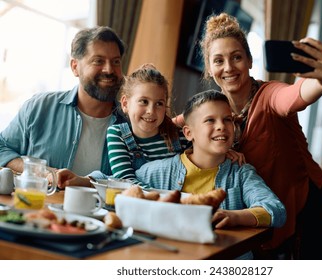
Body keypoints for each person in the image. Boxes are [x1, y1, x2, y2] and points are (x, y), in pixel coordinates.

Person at [175, 13, 322, 259]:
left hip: (305, 206)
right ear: (209, 69)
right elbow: (170, 126)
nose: (228, 67)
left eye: (236, 57)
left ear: (249, 61)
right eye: (218, 61)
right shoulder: (213, 109)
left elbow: (295, 95)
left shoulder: (269, 95)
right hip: (260, 209)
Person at [133, 90, 286, 259]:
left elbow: (276, 210)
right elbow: (107, 181)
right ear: (189, 133)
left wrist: (235, 217)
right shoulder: (158, 171)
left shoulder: (241, 173)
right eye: (210, 120)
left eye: (227, 119)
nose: (221, 126)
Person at [56, 65, 243, 188]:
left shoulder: (178, 136)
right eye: (143, 102)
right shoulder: (117, 134)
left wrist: (224, 152)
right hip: (143, 202)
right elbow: (125, 181)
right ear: (126, 103)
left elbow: (202, 156)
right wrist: (166, 198)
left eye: (159, 103)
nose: (151, 111)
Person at [0, 26, 126, 177]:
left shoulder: (131, 123)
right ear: (75, 67)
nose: (109, 69)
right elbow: (2, 148)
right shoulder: (39, 107)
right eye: (98, 61)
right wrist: (44, 173)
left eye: (116, 62)